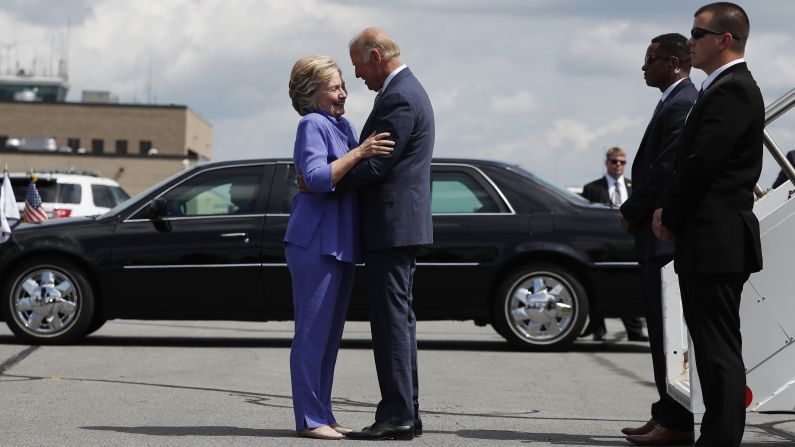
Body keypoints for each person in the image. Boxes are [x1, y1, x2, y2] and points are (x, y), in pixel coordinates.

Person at [652, 3, 763, 446]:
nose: (690, 41)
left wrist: (669, 213)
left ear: (725, 40)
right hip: (710, 239)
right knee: (714, 348)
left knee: (718, 351)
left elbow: (702, 165)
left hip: (716, 239)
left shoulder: (731, 89)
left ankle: (720, 440)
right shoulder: (719, 88)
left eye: (698, 34)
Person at [285, 55, 394, 440]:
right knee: (312, 335)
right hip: (315, 242)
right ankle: (309, 420)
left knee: (330, 337)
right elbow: (316, 178)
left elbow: (347, 176)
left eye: (342, 85)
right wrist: (360, 152)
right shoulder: (311, 123)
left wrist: (356, 155)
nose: (343, 93)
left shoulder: (341, 125)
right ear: (310, 94)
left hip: (340, 243)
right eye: (333, 88)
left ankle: (323, 414)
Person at [333, 28, 435, 441]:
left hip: (390, 229)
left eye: (357, 65)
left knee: (391, 324)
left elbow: (377, 165)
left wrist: (326, 179)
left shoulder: (398, 96)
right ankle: (406, 413)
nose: (356, 76)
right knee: (399, 323)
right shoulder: (406, 91)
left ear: (375, 56)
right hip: (397, 227)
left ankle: (397, 416)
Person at [619, 33, 698, 446]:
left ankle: (676, 422)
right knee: (660, 335)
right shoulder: (672, 99)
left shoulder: (683, 102)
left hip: (664, 237)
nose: (644, 67)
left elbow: (665, 169)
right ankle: (665, 413)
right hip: (656, 236)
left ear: (673, 62)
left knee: (668, 337)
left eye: (650, 60)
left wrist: (631, 210)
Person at [580, 147, 647, 342]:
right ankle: (598, 328)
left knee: (629, 284)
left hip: (628, 244)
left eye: (622, 162)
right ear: (607, 163)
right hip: (603, 244)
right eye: (614, 161)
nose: (619, 165)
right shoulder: (592, 189)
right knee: (601, 283)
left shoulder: (634, 186)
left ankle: (635, 329)